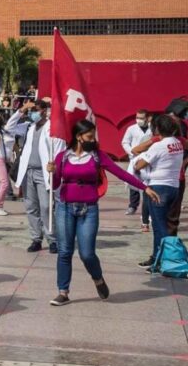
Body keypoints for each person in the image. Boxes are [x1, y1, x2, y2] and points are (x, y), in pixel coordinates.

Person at [50, 119, 157, 306]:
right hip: (65, 207)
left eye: (93, 136)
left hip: (89, 209)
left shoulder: (97, 156)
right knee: (65, 251)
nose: (93, 140)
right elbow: (55, 184)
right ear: (78, 136)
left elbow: (119, 172)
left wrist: (144, 187)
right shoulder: (62, 157)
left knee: (87, 254)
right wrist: (52, 171)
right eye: (89, 136)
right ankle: (63, 291)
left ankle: (98, 279)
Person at [132, 114, 185, 272]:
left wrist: (136, 163)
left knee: (159, 226)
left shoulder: (159, 145)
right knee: (163, 224)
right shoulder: (177, 143)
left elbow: (140, 165)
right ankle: (156, 258)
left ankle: (164, 260)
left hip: (158, 188)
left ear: (157, 129)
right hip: (174, 187)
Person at [10, 100, 65, 253]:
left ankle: (52, 239)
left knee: (46, 206)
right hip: (28, 172)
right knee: (30, 207)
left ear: (44, 111)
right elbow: (9, 127)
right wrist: (22, 110)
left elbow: (59, 148)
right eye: (32, 110)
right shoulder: (29, 127)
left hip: (44, 172)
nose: (33, 112)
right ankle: (36, 239)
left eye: (36, 109)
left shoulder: (52, 128)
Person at [122, 110, 154, 226]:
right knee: (133, 182)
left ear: (147, 118)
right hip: (134, 157)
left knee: (147, 184)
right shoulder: (131, 128)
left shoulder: (153, 128)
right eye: (137, 117)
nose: (138, 120)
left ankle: (148, 212)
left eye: (141, 117)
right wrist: (131, 152)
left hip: (148, 159)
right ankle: (132, 206)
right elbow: (125, 142)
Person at [0, 112, 16, 216]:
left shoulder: (10, 132)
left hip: (6, 159)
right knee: (4, 183)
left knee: (5, 182)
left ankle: (0, 206)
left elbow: (13, 145)